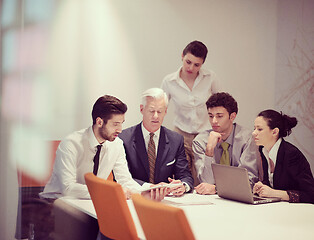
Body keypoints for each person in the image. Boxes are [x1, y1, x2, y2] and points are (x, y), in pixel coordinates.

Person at [40, 95, 166, 201]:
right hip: (57, 201)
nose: (120, 130)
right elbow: (68, 188)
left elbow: (125, 181)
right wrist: (110, 193)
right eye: (115, 124)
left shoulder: (117, 144)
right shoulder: (71, 144)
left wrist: (150, 190)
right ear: (99, 122)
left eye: (121, 124)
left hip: (92, 201)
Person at [161, 40, 221, 185]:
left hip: (205, 134)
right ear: (182, 56)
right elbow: (161, 108)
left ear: (202, 64)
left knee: (205, 178)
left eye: (196, 65)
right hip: (181, 134)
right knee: (183, 177)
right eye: (188, 62)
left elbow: (221, 104)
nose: (191, 67)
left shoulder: (210, 77)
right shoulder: (169, 81)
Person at [119, 88, 194, 197]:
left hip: (166, 200)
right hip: (135, 198)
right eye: (151, 111)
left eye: (160, 111)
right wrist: (151, 187)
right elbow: (122, 177)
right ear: (142, 109)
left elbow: (185, 175)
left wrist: (183, 185)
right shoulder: (124, 138)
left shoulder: (175, 140)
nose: (156, 116)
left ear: (166, 112)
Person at [192, 92, 259, 195]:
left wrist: (216, 189)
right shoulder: (200, 141)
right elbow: (206, 181)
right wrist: (209, 150)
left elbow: (248, 182)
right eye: (210, 116)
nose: (214, 121)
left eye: (219, 116)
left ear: (232, 116)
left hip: (240, 198)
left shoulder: (247, 138)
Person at [252, 109, 314, 203]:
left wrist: (274, 193)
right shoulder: (263, 149)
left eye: (259, 129)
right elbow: (275, 183)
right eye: (254, 129)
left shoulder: (291, 154)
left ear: (275, 132)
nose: (254, 133)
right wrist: (262, 186)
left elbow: (310, 195)